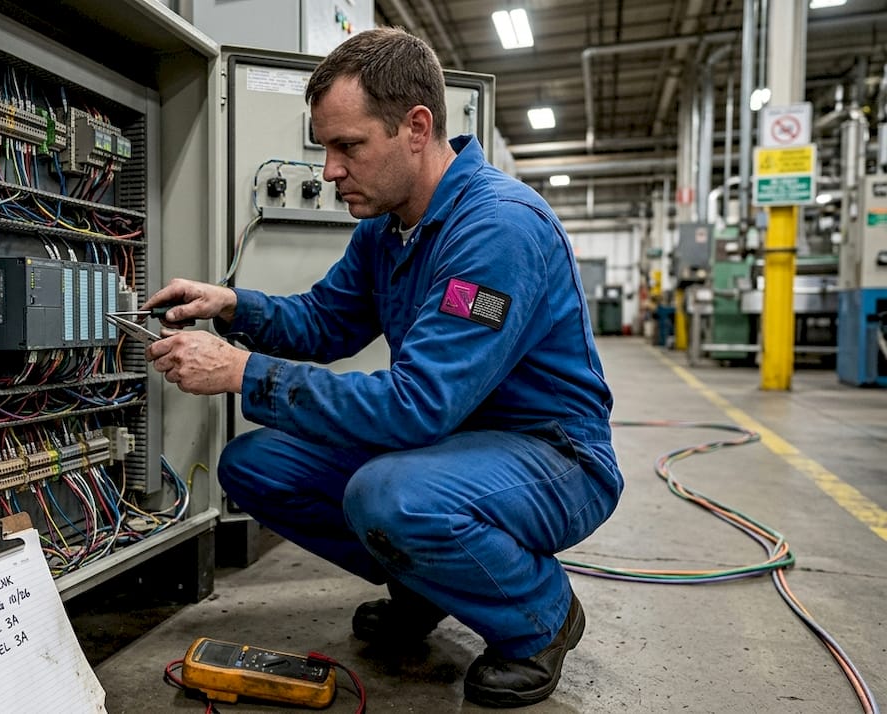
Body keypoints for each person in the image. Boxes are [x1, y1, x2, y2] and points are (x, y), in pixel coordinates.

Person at [142, 27, 622, 708]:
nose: (330, 170)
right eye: (326, 148)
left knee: (388, 495)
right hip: (451, 444)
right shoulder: (387, 228)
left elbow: (417, 406)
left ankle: (540, 616)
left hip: (552, 456)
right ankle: (427, 585)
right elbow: (324, 321)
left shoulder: (497, 230)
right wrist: (231, 305)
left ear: (416, 127)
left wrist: (242, 374)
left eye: (348, 146)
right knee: (257, 467)